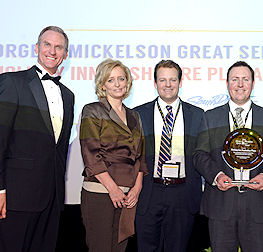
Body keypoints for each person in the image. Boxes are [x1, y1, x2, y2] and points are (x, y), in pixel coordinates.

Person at [194, 61, 263, 252]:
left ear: (252, 83)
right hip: (221, 204)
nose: (240, 85)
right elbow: (199, 155)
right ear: (227, 84)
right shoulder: (210, 117)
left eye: (245, 79)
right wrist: (216, 176)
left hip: (258, 204)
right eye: (235, 79)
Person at [0, 26, 74, 252]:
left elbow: (59, 149)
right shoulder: (12, 82)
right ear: (36, 47)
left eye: (58, 47)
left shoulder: (69, 96)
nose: (52, 51)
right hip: (16, 196)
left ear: (66, 54)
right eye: (47, 44)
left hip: (52, 197)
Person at [134, 60, 204, 252]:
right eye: (162, 80)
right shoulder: (138, 114)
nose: (168, 85)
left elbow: (203, 155)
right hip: (149, 191)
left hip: (183, 193)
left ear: (180, 82)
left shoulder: (198, 115)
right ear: (155, 83)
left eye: (173, 80)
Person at [79, 59, 147, 252]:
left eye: (121, 79)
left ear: (128, 83)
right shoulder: (92, 110)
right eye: (111, 80)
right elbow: (91, 154)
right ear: (102, 85)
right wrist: (113, 189)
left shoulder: (134, 116)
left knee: (119, 248)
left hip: (128, 195)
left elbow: (140, 155)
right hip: (100, 191)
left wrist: (137, 188)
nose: (117, 84)